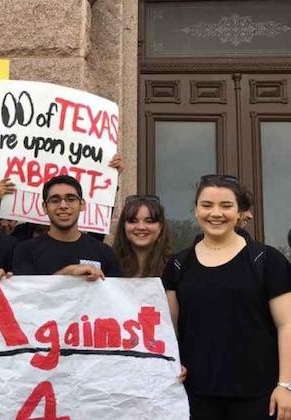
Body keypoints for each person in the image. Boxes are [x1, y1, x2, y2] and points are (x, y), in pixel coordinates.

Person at [162, 174, 291, 419]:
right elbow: (169, 331)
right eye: (207, 205)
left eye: (226, 206)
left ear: (240, 211)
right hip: (196, 396)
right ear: (196, 209)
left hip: (259, 396)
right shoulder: (178, 265)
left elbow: (288, 325)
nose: (216, 213)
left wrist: (286, 385)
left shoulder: (267, 260)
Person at [12, 175, 122, 279]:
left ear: (82, 204)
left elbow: (115, 295)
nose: (63, 206)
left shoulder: (104, 252)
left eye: (71, 199)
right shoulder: (26, 251)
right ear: (45, 207)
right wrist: (67, 273)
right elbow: (26, 296)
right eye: (55, 200)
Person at [112, 195, 172, 277]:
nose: (141, 227)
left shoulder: (175, 268)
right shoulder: (108, 266)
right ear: (124, 226)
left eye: (149, 221)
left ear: (160, 227)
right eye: (133, 221)